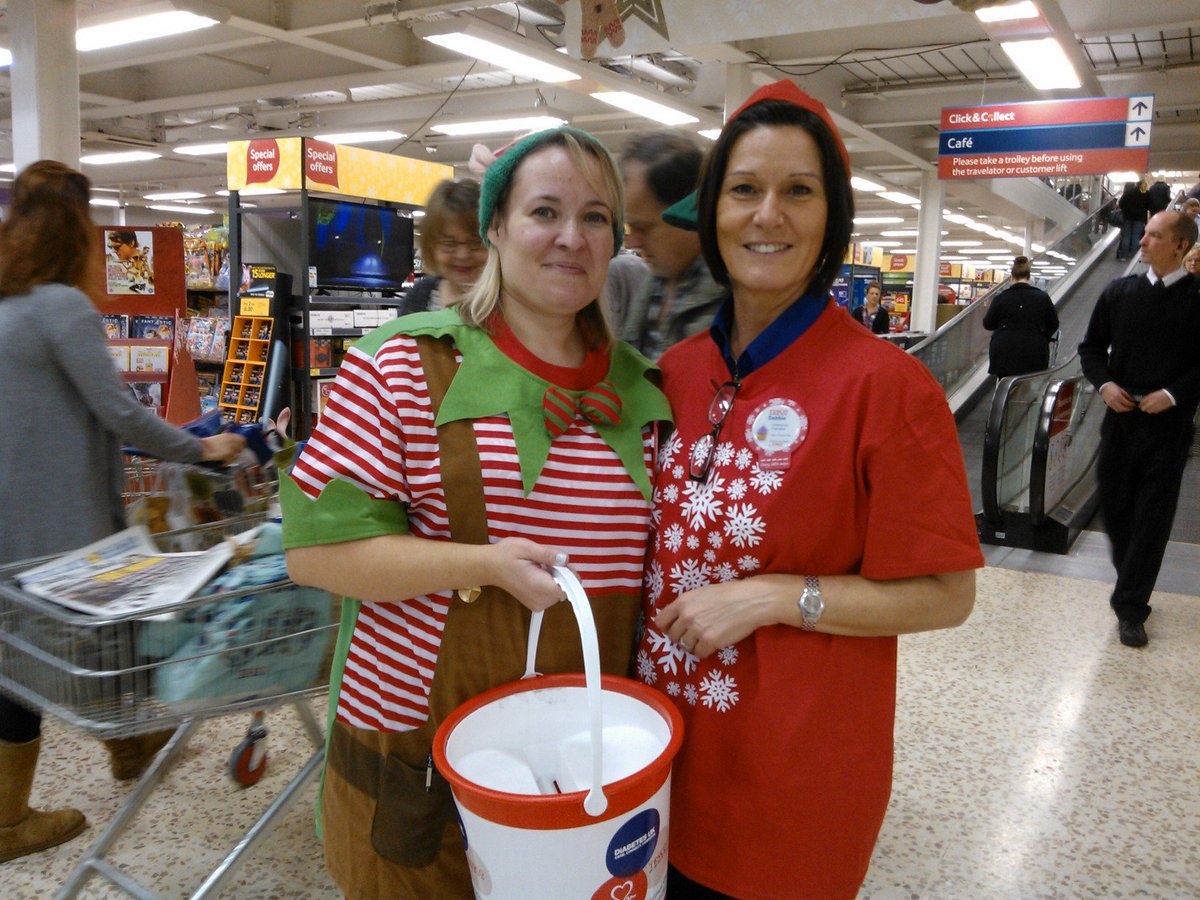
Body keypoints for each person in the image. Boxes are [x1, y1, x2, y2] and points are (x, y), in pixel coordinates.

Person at [280, 126, 670, 898]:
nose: (570, 237)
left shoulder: (647, 394)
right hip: (415, 769)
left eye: (596, 218)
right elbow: (314, 554)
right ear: (496, 227)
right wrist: (479, 564)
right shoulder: (398, 364)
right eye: (545, 211)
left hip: (583, 778)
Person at [633, 80, 983, 899]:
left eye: (799, 191)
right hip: (657, 760)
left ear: (832, 218)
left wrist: (774, 597)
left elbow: (945, 595)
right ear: (713, 214)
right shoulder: (674, 375)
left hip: (793, 784)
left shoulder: (887, 388)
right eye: (745, 190)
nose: (768, 215)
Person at [0, 161, 245, 864]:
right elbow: (120, 415)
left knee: (16, 668)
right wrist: (208, 448)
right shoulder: (61, 307)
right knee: (113, 637)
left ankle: (120, 753)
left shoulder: (6, 306)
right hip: (63, 530)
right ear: (81, 231)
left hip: (8, 529)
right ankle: (32, 807)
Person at [1078, 209, 1200, 648]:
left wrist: (1172, 395)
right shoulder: (1118, 292)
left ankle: (1131, 607)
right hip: (1121, 421)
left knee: (1152, 518)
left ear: (1180, 245)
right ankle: (1132, 577)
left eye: (1152, 235)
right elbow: (1090, 348)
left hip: (1169, 431)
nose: (1142, 241)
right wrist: (1105, 384)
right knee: (1116, 511)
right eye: (1143, 233)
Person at [618, 130, 724, 359]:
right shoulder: (656, 282)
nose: (633, 242)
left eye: (645, 228)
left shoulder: (738, 304)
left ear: (689, 210)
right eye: (630, 227)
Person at [399, 178, 487, 315]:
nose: (462, 254)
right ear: (432, 246)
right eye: (449, 244)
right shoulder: (417, 298)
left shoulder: (511, 301)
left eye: (475, 242)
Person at [982, 255, 1060, 376]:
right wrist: (1041, 335)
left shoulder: (1001, 298)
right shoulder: (1042, 297)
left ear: (1012, 277)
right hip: (1034, 350)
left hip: (1004, 351)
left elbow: (988, 324)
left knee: (1004, 385)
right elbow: (1054, 324)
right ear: (1029, 277)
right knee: (1030, 386)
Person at [1116, 179, 1149, 262]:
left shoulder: (1128, 192)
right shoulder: (1145, 194)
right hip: (1139, 218)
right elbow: (1148, 206)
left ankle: (1124, 256)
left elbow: (1121, 204)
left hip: (1127, 217)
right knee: (1136, 237)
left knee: (1126, 237)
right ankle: (1134, 258)